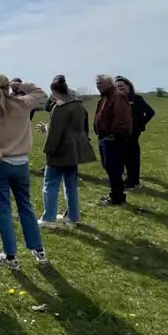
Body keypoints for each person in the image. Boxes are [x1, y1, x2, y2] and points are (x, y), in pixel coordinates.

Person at [0, 75, 48, 268]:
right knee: (25, 206)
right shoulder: (23, 103)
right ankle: (38, 250)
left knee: (3, 210)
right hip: (21, 163)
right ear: (8, 86)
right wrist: (20, 85)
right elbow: (39, 92)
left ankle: (10, 256)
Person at [39, 75, 96, 226]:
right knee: (71, 186)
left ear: (54, 92)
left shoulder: (60, 107)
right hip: (74, 151)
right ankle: (72, 217)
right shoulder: (79, 106)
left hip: (60, 151)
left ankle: (48, 218)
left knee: (50, 185)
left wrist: (48, 150)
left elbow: (55, 133)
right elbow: (84, 129)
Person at [93, 74, 133, 207]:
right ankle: (116, 194)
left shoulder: (118, 96)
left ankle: (117, 197)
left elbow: (121, 118)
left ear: (109, 83)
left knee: (114, 168)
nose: (98, 86)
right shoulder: (104, 97)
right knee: (109, 167)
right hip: (103, 137)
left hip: (112, 138)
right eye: (97, 84)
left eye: (101, 83)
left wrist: (113, 134)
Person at [114, 76, 156, 189]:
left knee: (132, 157)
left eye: (122, 86)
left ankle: (134, 181)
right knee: (122, 157)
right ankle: (128, 178)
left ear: (129, 86)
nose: (120, 88)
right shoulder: (116, 100)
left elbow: (150, 112)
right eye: (117, 87)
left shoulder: (136, 99)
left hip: (133, 133)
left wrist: (141, 124)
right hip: (120, 133)